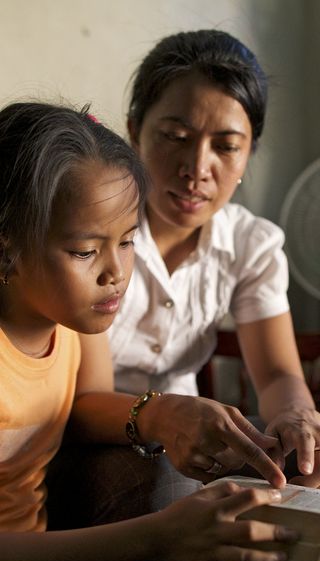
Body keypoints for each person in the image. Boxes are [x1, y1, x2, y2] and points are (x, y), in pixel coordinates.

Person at [0, 101, 298, 561]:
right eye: (84, 251)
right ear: (6, 247)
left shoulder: (72, 320)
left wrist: (166, 411)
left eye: (129, 241)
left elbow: (86, 401)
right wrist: (156, 538)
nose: (116, 272)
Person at [106, 28, 319, 487]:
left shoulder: (249, 245)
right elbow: (71, 397)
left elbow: (279, 373)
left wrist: (296, 415)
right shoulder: (93, 233)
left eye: (225, 146)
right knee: (167, 487)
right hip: (92, 433)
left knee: (305, 466)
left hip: (190, 433)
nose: (197, 169)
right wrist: (162, 416)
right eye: (175, 136)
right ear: (133, 133)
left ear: (248, 155)